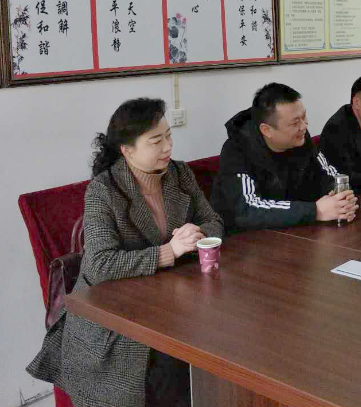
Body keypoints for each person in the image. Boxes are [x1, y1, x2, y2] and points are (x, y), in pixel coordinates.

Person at [27, 98, 225, 407]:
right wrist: (167, 252)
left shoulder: (180, 174)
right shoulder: (103, 190)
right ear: (127, 150)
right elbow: (99, 264)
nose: (168, 147)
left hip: (172, 300)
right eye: (156, 141)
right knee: (172, 368)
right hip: (114, 320)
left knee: (220, 344)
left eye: (169, 136)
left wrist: (196, 232)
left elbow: (214, 221)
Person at [210, 83, 358, 232]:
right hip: (244, 238)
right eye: (295, 122)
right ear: (267, 130)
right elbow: (247, 210)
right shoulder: (237, 150)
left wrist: (341, 198)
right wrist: (315, 211)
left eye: (304, 116)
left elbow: (329, 175)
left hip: (294, 230)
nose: (304, 126)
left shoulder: (300, 139)